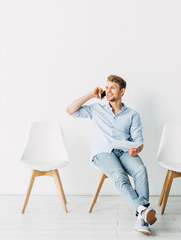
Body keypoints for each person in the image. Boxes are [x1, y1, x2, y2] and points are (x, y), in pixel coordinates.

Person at [66, 74, 156, 235]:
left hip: (124, 151)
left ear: (122, 91)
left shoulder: (133, 115)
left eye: (112, 88)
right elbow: (70, 110)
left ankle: (141, 216)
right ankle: (143, 212)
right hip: (103, 153)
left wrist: (137, 149)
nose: (108, 91)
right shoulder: (96, 109)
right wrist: (90, 95)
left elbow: (139, 141)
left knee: (141, 170)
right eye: (106, 87)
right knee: (120, 176)